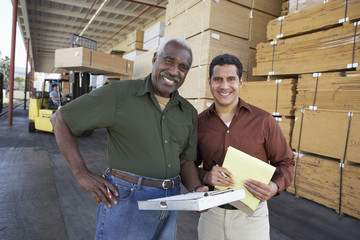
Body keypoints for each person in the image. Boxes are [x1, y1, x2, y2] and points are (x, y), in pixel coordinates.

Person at [50, 38, 207, 240]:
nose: (175, 72)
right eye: (168, 61)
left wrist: (196, 191)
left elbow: (184, 161)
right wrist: (81, 173)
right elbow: (60, 119)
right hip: (128, 200)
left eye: (183, 67)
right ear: (154, 59)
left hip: (171, 201)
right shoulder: (119, 94)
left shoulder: (188, 112)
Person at [195, 54, 295, 240]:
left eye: (231, 79)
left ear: (241, 82)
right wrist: (206, 176)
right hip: (212, 216)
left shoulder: (264, 121)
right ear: (209, 82)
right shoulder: (199, 123)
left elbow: (286, 161)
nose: (224, 86)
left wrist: (274, 187)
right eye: (218, 79)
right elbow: (189, 166)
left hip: (252, 217)